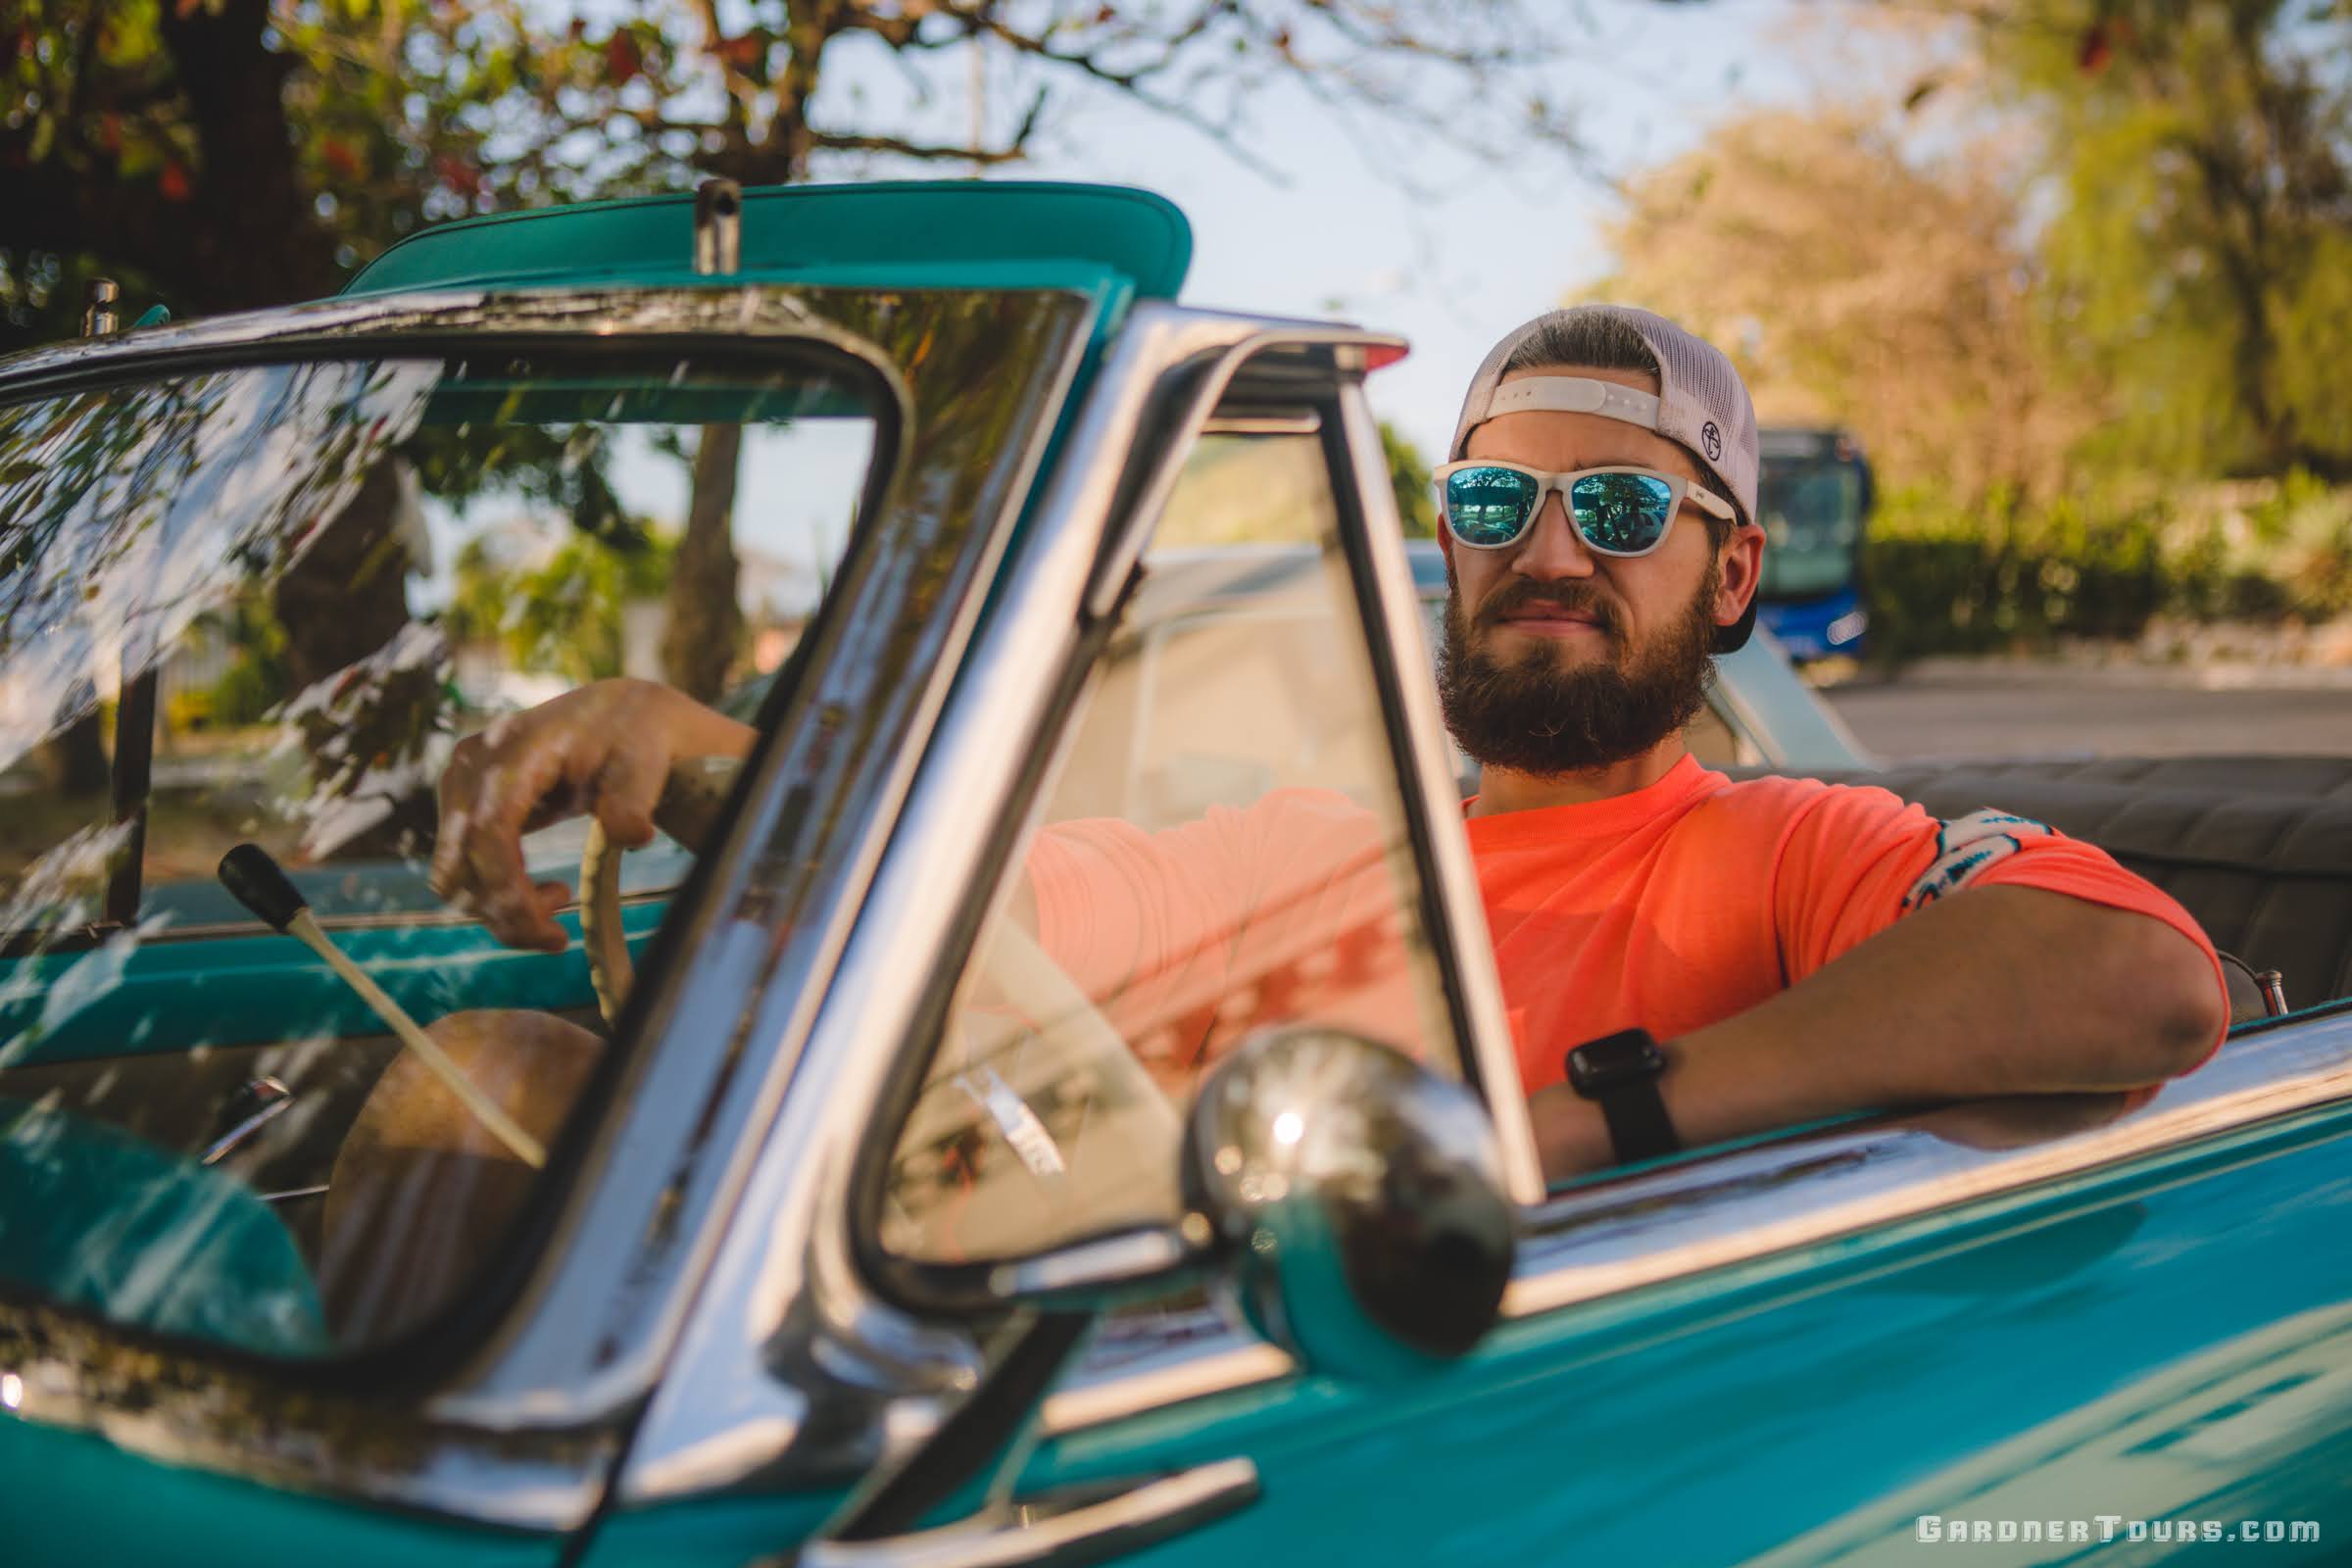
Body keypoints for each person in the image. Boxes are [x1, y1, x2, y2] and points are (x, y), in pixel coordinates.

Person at [427, 305, 2229, 1182]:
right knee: (490, 1080)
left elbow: (2143, 986)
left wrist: (1578, 1127)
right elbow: (970, 883)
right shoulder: (1301, 851)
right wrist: (699, 746)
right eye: (1494, 498)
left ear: (1735, 570)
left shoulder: (1781, 851)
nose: (1545, 551)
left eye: (1615, 504)